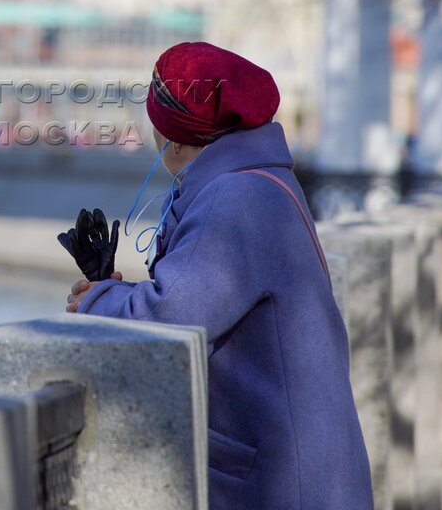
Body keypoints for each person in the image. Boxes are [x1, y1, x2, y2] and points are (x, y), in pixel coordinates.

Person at [65, 41, 373, 509]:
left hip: (283, 482)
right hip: (307, 467)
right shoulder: (258, 179)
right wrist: (113, 287)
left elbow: (170, 318)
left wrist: (94, 302)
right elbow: (204, 295)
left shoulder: (234, 198)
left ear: (176, 138)